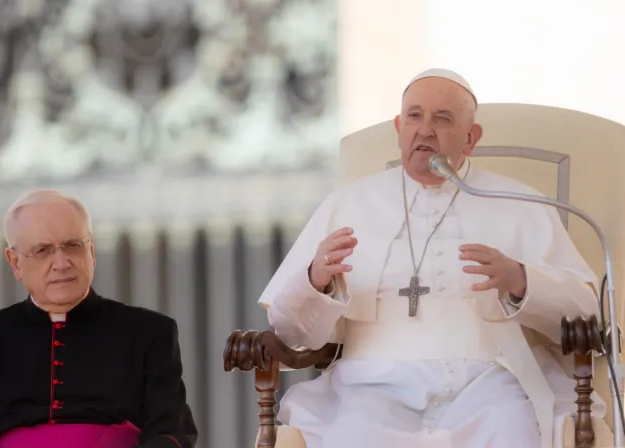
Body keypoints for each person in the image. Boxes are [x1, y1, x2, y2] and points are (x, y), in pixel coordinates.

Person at [257, 68, 602, 448]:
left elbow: (585, 314)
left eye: (443, 119)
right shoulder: (348, 203)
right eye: (414, 116)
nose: (425, 130)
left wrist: (521, 280)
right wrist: (314, 281)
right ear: (399, 127)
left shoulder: (518, 203)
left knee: (510, 429)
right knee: (354, 434)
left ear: (471, 138)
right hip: (370, 386)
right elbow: (289, 331)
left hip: (489, 382)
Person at [0, 190, 198, 448]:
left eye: (73, 245)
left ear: (91, 251)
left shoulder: (150, 333)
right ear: (15, 262)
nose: (61, 263)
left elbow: (172, 431)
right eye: (43, 250)